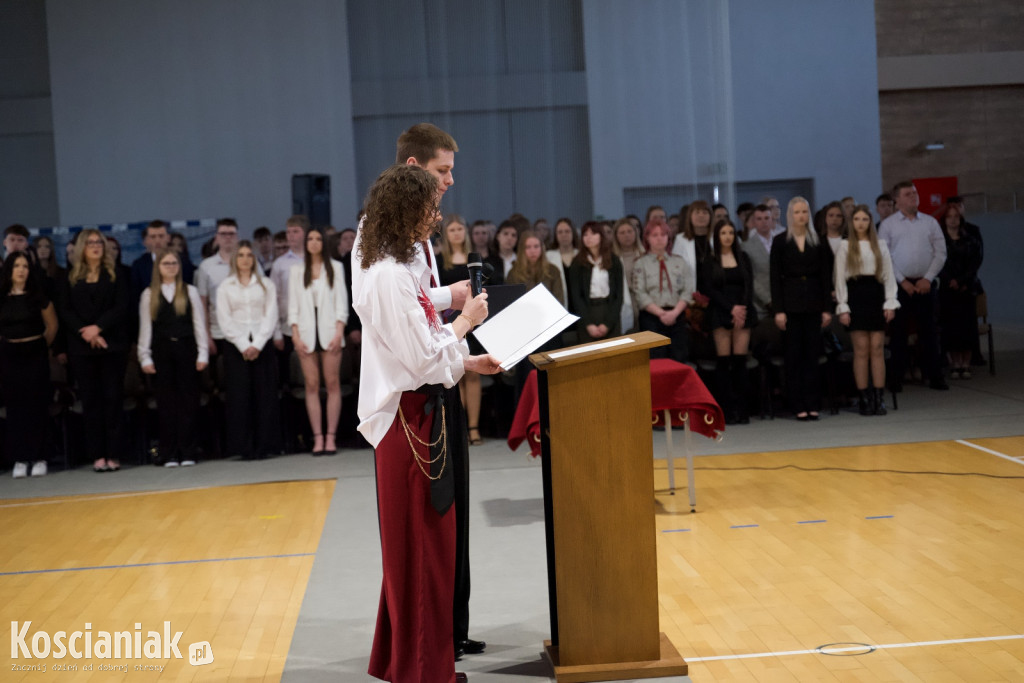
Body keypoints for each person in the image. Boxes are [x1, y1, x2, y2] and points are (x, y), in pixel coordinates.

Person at [355, 163, 500, 683]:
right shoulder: (390, 277)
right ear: (404, 213)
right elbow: (421, 359)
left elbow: (425, 348)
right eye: (429, 209)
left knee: (424, 553)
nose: (437, 218)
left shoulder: (396, 270)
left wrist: (467, 361)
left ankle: (413, 664)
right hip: (409, 418)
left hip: (416, 412)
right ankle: (422, 672)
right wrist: (466, 324)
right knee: (421, 553)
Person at [58, 229, 130, 471]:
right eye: (90, 243)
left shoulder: (116, 274)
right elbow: (65, 310)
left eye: (99, 242)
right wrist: (86, 332)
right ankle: (97, 454)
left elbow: (121, 306)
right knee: (91, 401)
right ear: (82, 247)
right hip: (82, 347)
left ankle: (114, 453)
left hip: (112, 345)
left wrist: (98, 328)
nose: (96, 246)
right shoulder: (69, 276)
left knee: (113, 399)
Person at [137, 249, 209, 465]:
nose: (170, 267)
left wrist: (203, 352)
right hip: (162, 351)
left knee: (188, 401)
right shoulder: (149, 294)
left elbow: (199, 324)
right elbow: (146, 327)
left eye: (174, 263)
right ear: (158, 267)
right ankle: (168, 452)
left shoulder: (190, 291)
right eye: (166, 263)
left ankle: (188, 451)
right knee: (166, 403)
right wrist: (144, 356)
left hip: (187, 349)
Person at [879, 181, 948, 391]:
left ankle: (934, 376)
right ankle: (896, 378)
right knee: (899, 333)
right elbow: (884, 256)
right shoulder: (888, 225)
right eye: (908, 194)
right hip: (900, 286)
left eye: (915, 193)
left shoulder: (930, 222)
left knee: (929, 332)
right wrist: (903, 281)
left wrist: (928, 278)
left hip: (925, 283)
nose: (913, 196)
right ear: (897, 200)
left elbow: (940, 253)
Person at [216, 241, 282, 460]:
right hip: (236, 346)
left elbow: (270, 315)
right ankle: (243, 447)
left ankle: (265, 445)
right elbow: (225, 319)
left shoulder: (265, 284)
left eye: (249, 255)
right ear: (235, 259)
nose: (245, 259)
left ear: (254, 259)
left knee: (264, 396)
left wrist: (258, 344)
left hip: (262, 344)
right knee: (240, 397)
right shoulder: (226, 286)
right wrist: (244, 345)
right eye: (241, 255)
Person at [771, 198, 833, 420]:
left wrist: (827, 308)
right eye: (797, 212)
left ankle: (813, 402)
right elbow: (775, 278)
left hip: (814, 303)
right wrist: (779, 310)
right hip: (790, 304)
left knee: (812, 355)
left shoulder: (819, 241)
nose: (801, 216)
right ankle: (796, 403)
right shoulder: (780, 241)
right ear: (790, 215)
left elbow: (826, 276)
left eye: (804, 212)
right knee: (793, 355)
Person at [288, 227, 349, 455]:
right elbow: (292, 306)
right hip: (305, 334)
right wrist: (295, 335)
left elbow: (342, 303)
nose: (314, 242)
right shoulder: (297, 270)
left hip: (331, 332)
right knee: (311, 385)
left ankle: (331, 436)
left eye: (318, 239)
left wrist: (339, 332)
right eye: (310, 239)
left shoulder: (335, 267)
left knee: (332, 384)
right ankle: (317, 437)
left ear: (324, 242)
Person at [834, 205, 898, 415]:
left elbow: (889, 275)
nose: (861, 223)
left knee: (877, 349)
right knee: (861, 350)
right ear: (851, 223)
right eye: (857, 219)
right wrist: (843, 307)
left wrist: (890, 302)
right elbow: (839, 279)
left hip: (876, 296)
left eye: (865, 219)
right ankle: (863, 397)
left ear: (870, 222)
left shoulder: (880, 245)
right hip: (856, 297)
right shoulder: (845, 246)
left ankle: (879, 398)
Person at [1, 252, 58, 478]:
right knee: (15, 407)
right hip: (9, 355)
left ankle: (40, 456)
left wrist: (40, 346)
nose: (21, 270)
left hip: (35, 354)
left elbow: (52, 327)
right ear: (9, 270)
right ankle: (20, 457)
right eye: (17, 266)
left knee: (37, 405)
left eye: (25, 266)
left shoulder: (38, 297)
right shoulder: (2, 297)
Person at [437, 215, 486, 446]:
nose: (457, 233)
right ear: (446, 234)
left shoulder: (474, 260)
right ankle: (460, 427)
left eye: (460, 229)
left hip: (473, 322)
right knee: (456, 372)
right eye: (452, 229)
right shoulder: (439, 260)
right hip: (450, 322)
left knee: (473, 372)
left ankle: (474, 427)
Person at [702, 219, 756, 424]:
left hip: (743, 312)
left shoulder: (744, 257)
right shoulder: (710, 260)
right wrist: (730, 308)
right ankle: (726, 410)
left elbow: (749, 285)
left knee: (740, 361)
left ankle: (743, 410)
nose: (727, 237)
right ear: (717, 236)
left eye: (731, 233)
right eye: (723, 233)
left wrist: (741, 309)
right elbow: (709, 289)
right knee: (724, 362)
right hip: (720, 311)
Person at [631, 220, 692, 363]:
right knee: (656, 360)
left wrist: (675, 313)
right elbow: (640, 293)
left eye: (663, 235)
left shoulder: (679, 262)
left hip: (676, 315)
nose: (659, 238)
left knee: (679, 358)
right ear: (647, 238)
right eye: (655, 235)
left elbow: (687, 291)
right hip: (652, 317)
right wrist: (661, 313)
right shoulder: (641, 263)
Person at [938, 204, 982, 379]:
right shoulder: (939, 241)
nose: (953, 220)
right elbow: (938, 262)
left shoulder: (970, 239)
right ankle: (954, 363)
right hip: (948, 289)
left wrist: (962, 280)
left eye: (956, 216)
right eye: (949, 217)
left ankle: (966, 363)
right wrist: (950, 280)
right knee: (951, 327)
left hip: (966, 288)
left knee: (967, 326)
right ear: (945, 220)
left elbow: (975, 262)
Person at [569, 221, 623, 343]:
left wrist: (608, 323)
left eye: (593, 233)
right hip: (587, 311)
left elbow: (618, 296)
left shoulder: (614, 260)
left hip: (609, 310)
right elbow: (576, 297)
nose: (589, 237)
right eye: (585, 234)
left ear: (601, 236)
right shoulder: (577, 263)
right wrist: (588, 324)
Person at [130, 220, 171, 302]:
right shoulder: (139, 265)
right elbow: (135, 296)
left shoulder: (182, 262)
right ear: (145, 241)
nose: (157, 241)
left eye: (161, 236)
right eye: (153, 237)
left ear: (168, 238)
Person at [672, 200, 714, 276]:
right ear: (690, 217)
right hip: (689, 282)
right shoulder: (681, 239)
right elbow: (675, 267)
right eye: (697, 212)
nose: (701, 215)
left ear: (710, 216)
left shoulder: (716, 237)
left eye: (705, 212)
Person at [545, 217, 578, 307]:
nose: (564, 235)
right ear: (555, 235)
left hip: (580, 306)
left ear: (573, 233)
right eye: (560, 232)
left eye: (567, 231)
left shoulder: (581, 255)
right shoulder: (548, 256)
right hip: (558, 303)